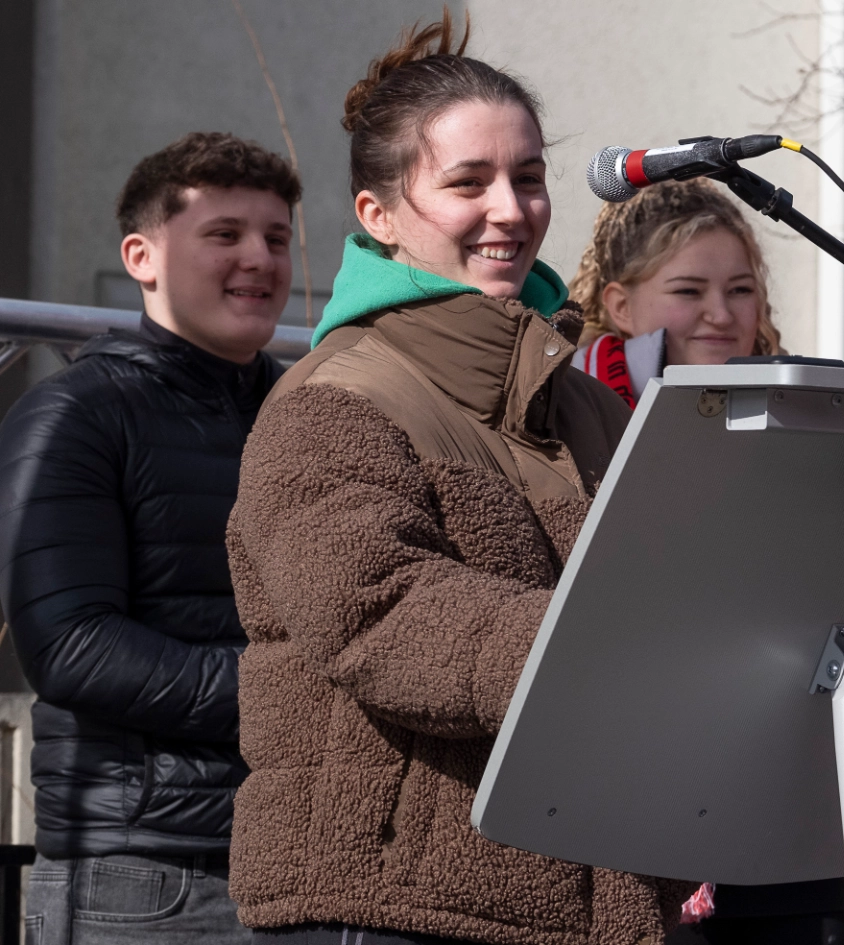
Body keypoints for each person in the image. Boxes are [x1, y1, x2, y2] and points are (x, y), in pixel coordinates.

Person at [224, 15, 693, 945]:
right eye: (467, 183)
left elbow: (662, 597)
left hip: (579, 899)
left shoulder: (583, 406)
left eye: (527, 178)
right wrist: (617, 651)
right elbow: (378, 610)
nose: (511, 211)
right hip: (385, 907)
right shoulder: (333, 397)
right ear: (378, 216)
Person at [0, 131, 299, 942]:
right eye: (224, 234)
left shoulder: (309, 413)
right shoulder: (76, 413)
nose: (260, 259)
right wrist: (293, 695)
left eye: (276, 238)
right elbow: (72, 645)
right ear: (142, 255)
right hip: (143, 872)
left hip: (301, 852)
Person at [570, 179, 782, 407]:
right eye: (689, 291)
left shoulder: (794, 411)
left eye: (740, 290)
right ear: (622, 307)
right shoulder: (564, 410)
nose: (721, 316)